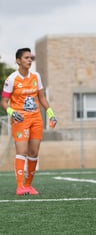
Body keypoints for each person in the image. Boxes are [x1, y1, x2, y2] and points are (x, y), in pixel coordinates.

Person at [1, 47, 58, 196]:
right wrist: (12, 112)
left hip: (36, 119)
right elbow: (4, 102)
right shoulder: (11, 79)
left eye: (30, 58)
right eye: (26, 58)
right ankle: (20, 186)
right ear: (18, 61)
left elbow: (42, 98)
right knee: (22, 151)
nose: (29, 60)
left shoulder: (36, 77)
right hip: (20, 120)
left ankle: (28, 185)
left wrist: (51, 114)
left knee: (33, 152)